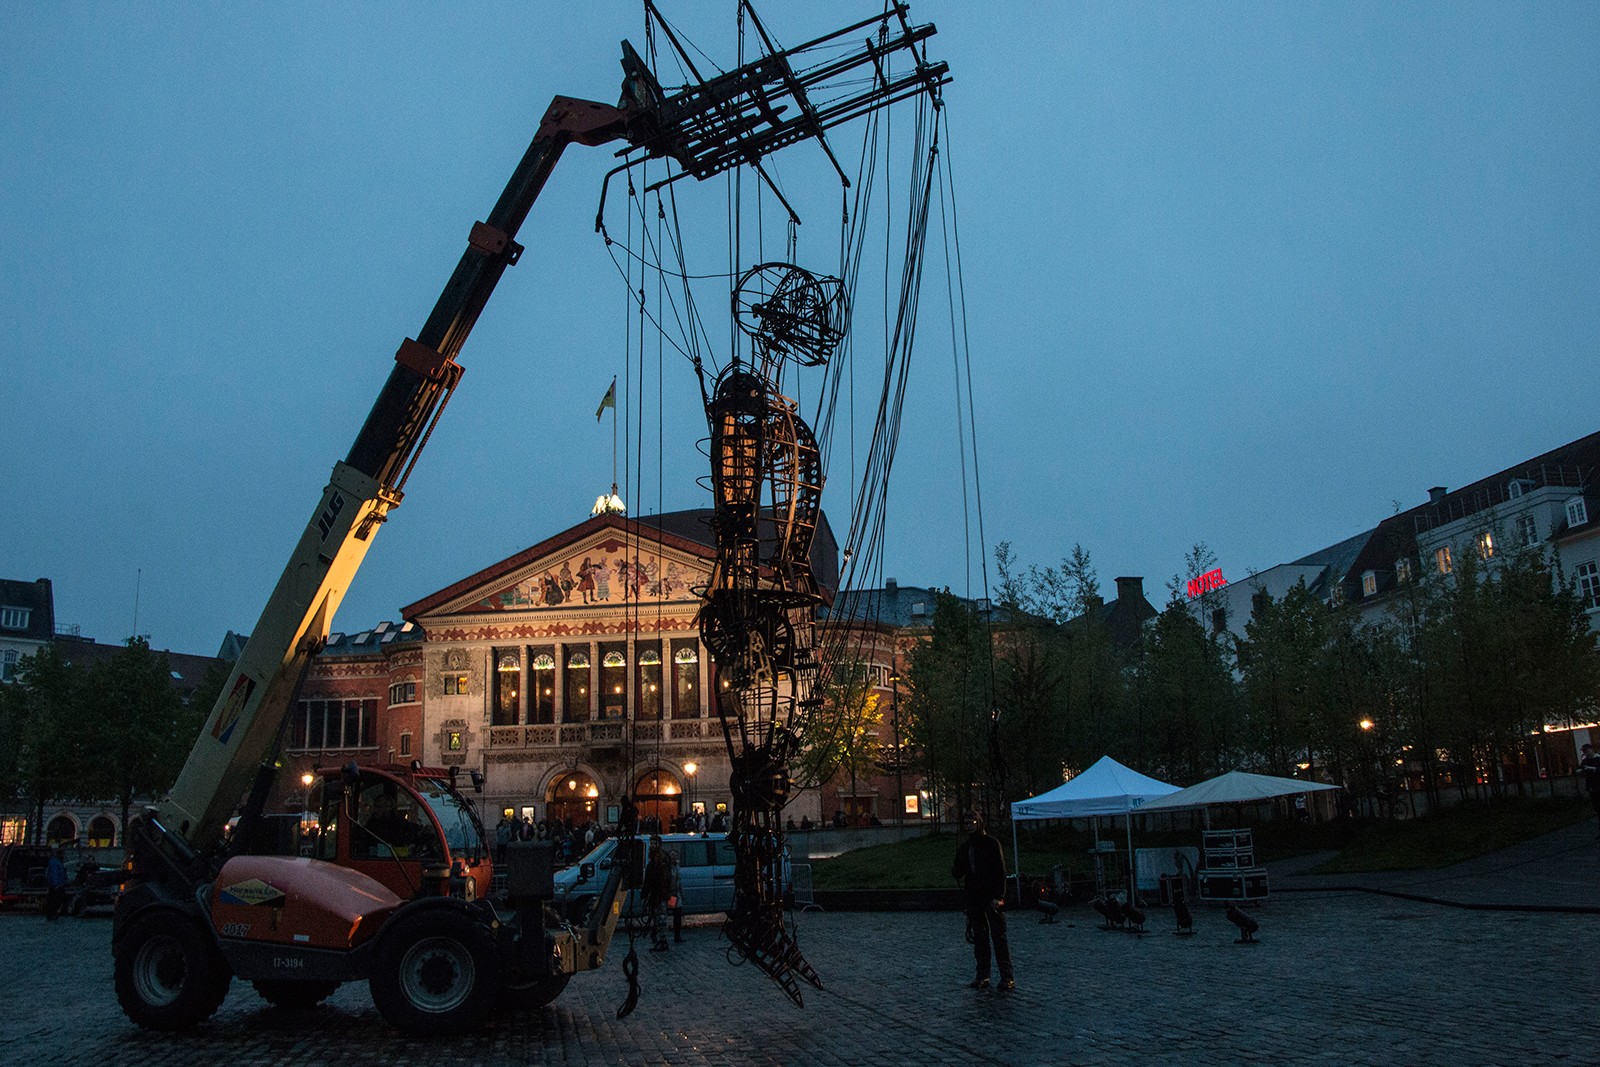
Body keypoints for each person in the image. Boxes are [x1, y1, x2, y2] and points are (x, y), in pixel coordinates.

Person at [952, 811, 1014, 992]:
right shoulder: (966, 848)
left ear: (978, 822)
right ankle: (982, 975)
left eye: (971, 822)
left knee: (999, 937)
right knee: (979, 938)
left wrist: (999, 897)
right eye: (966, 823)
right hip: (974, 898)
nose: (969, 825)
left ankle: (1007, 976)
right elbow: (959, 873)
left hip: (991, 897)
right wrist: (957, 865)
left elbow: (1000, 872)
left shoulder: (991, 844)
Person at [643, 836, 673, 951]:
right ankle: (658, 938)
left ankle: (663, 941)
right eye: (651, 843)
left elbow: (664, 878)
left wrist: (661, 892)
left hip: (660, 894)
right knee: (656, 917)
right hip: (654, 893)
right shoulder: (653, 858)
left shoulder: (662, 858)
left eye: (654, 843)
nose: (652, 845)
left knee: (661, 918)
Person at [1579, 743, 1600, 839]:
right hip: (1592, 787)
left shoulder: (1598, 759)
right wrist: (1580, 770)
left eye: (1586, 751)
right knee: (1597, 808)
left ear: (1591, 750)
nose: (1585, 753)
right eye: (1584, 751)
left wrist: (1592, 769)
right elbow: (1580, 768)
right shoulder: (1585, 760)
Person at [44, 848, 69, 922]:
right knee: (55, 900)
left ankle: (53, 914)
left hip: (57, 884)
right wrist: (56, 884)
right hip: (57, 885)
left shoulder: (55, 862)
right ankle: (53, 914)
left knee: (55, 900)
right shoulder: (56, 862)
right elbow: (54, 874)